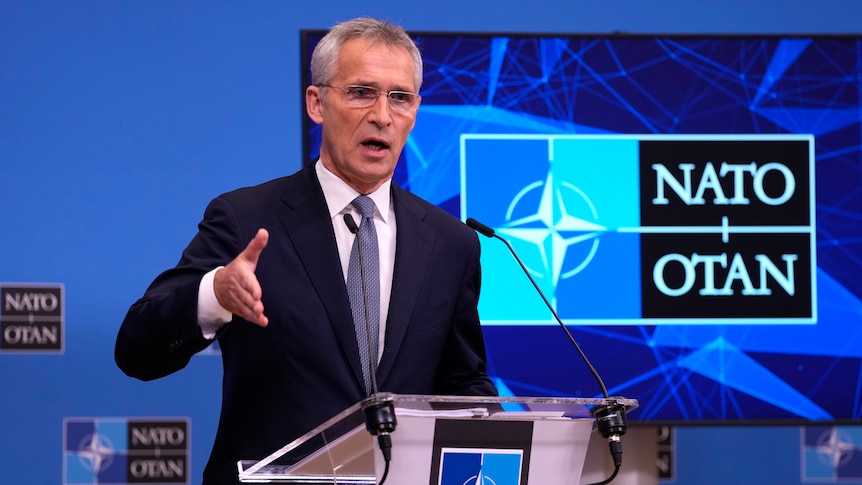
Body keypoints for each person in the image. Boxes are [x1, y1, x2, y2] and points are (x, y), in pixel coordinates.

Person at [115, 16, 498, 485]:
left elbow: (461, 382)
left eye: (400, 97)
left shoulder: (449, 241)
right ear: (317, 103)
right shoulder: (246, 217)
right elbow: (136, 348)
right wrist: (214, 294)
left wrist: (500, 431)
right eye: (361, 92)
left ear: (415, 112)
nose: (382, 114)